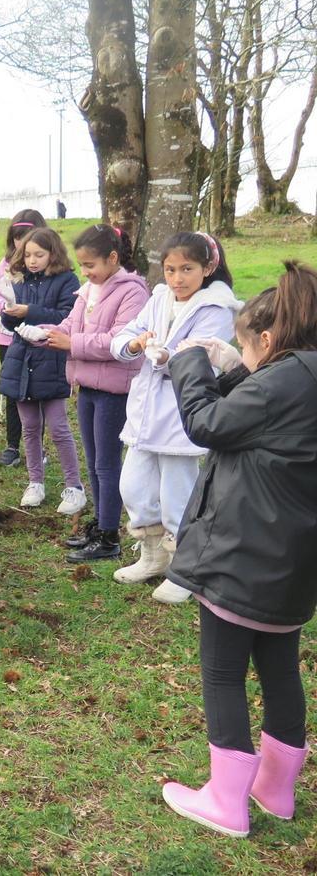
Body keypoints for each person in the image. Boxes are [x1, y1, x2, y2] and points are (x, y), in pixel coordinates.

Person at [158, 264, 317, 838]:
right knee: (280, 668)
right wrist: (236, 368)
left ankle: (226, 801)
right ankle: (275, 789)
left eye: (246, 348)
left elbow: (207, 424)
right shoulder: (304, 375)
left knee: (223, 671)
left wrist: (189, 364)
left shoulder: (278, 383)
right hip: (294, 560)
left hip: (244, 551)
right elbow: (256, 413)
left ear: (267, 341)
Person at [109, 232, 239, 603]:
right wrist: (133, 344)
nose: (177, 278)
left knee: (177, 494)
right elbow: (129, 333)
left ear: (207, 268)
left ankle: (184, 570)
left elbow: (204, 359)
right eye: (170, 269)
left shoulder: (217, 308)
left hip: (183, 411)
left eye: (187, 269)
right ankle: (153, 557)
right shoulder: (159, 297)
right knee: (133, 486)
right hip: (145, 411)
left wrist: (166, 357)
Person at [41, 225, 148, 561]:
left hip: (114, 390)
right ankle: (100, 523)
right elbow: (71, 325)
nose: (85, 272)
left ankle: (109, 535)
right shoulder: (89, 289)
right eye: (82, 265)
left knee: (107, 463)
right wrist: (47, 332)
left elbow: (118, 341)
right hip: (87, 384)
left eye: (90, 265)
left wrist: (71, 343)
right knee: (93, 461)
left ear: (113, 258)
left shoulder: (133, 293)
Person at [0, 227, 86, 516]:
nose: (32, 261)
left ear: (53, 254)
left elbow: (67, 316)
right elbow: (11, 325)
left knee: (58, 427)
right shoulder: (21, 280)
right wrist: (10, 310)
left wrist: (29, 311)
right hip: (21, 361)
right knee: (30, 426)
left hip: (52, 359)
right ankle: (35, 482)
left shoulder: (67, 280)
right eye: (28, 255)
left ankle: (74, 486)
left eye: (39, 255)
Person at [0, 210, 47, 466]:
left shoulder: (48, 267)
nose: (21, 242)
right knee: (13, 391)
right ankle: (12, 445)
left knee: (38, 392)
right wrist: (7, 307)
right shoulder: (6, 264)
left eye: (27, 235)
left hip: (38, 339)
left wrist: (30, 311)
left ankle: (37, 447)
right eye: (17, 236)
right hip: (9, 339)